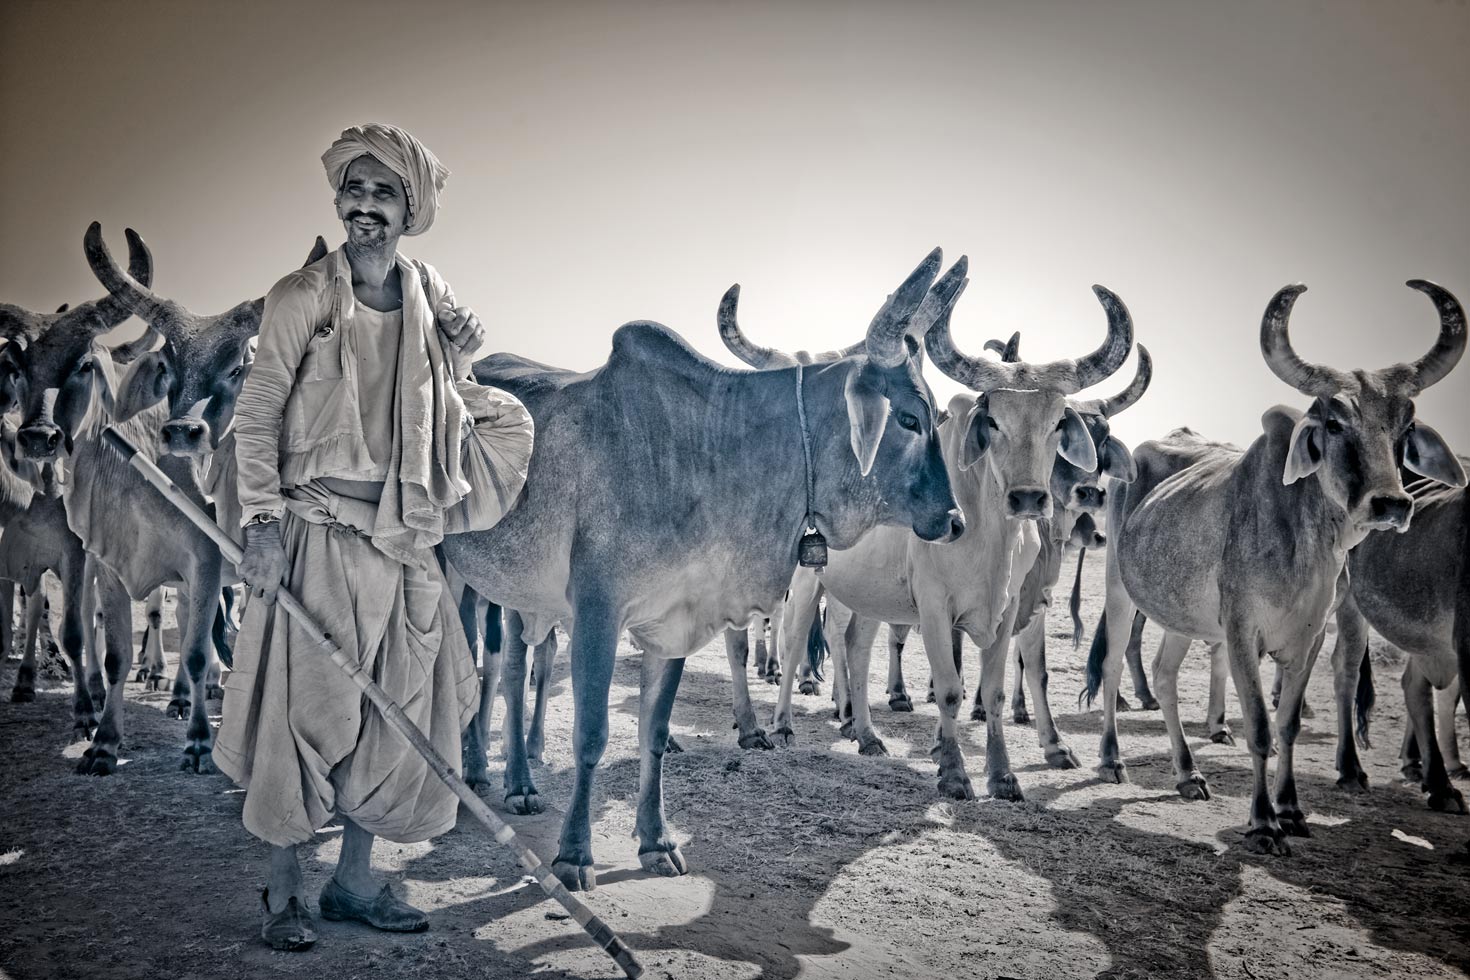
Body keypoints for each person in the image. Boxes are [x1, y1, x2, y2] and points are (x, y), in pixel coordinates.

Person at [216, 123, 489, 952]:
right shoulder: (302, 295)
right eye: (354, 190)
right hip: (316, 535)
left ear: (412, 207)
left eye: (383, 193)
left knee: (396, 719)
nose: (364, 205)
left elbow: (441, 404)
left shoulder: (428, 290)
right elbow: (257, 414)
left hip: (402, 541)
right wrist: (261, 525)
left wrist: (464, 354)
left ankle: (356, 883)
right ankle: (284, 893)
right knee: (303, 714)